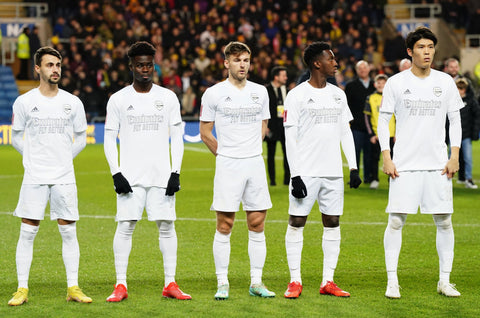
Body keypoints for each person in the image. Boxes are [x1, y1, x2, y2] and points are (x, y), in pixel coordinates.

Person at [378, 27, 464, 299]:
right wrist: (387, 157)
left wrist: (454, 155)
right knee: (395, 222)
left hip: (438, 164)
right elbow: (383, 120)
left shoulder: (446, 82)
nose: (427, 52)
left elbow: (456, 120)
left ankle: (444, 281)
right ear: (410, 51)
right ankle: (392, 281)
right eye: (421, 47)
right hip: (404, 164)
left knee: (445, 222)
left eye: (430, 47)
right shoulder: (396, 82)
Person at [104, 41, 191, 302]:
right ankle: (120, 284)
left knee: (167, 226)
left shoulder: (167, 97)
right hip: (130, 177)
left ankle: (170, 283)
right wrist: (116, 173)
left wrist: (175, 171)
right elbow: (109, 138)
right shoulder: (118, 99)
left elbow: (177, 137)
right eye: (139, 65)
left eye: (149, 65)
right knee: (125, 226)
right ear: (131, 66)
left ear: (154, 65)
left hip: (161, 176)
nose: (145, 69)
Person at [9, 46, 91, 306]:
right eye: (49, 65)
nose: (55, 69)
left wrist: (65, 158)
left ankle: (73, 287)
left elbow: (81, 137)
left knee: (68, 231)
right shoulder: (24, 102)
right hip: (34, 176)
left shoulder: (72, 102)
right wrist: (31, 159)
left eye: (58, 64)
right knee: (27, 231)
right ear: (37, 68)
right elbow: (16, 135)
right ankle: (22, 288)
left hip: (64, 176)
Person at [282, 41, 362, 299]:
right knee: (297, 221)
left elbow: (345, 131)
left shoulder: (338, 94)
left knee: (333, 222)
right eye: (331, 58)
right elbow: (289, 138)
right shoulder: (296, 95)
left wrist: (353, 166)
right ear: (317, 63)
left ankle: (328, 280)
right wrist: (295, 175)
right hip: (306, 171)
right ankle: (295, 280)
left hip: (332, 172)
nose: (335, 62)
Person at [200, 41, 275, 300]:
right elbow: (205, 132)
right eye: (237, 60)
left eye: (245, 60)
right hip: (228, 164)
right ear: (226, 63)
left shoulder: (261, 92)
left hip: (254, 162)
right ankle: (223, 282)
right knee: (225, 223)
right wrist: (225, 155)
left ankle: (256, 281)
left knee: (257, 223)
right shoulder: (213, 93)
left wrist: (251, 149)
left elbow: (264, 124)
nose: (242, 64)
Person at [345, 60, 375, 184]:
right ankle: (354, 176)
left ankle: (368, 177)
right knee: (355, 152)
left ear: (369, 69)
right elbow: (346, 106)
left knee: (370, 153)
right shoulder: (351, 86)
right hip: (356, 125)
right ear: (357, 71)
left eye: (364, 68)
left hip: (372, 126)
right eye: (360, 68)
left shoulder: (375, 85)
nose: (363, 70)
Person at [364, 74, 395, 189]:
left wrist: (397, 133)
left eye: (383, 83)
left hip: (391, 134)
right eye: (379, 83)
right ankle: (374, 179)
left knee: (393, 158)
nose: (381, 85)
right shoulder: (370, 98)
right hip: (377, 135)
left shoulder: (392, 97)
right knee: (374, 158)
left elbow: (398, 117)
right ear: (374, 84)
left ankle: (392, 179)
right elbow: (367, 117)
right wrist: (371, 134)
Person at [265, 66, 290, 186]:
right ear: (276, 77)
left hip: (285, 127)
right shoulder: (266, 90)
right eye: (283, 75)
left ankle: (287, 180)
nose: (286, 78)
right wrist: (265, 125)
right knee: (271, 154)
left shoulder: (288, 90)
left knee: (288, 154)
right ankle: (272, 181)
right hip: (271, 127)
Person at [455, 78, 480, 189]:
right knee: (450, 157)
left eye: (462, 88)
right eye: (458, 88)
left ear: (465, 89)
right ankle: (445, 179)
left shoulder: (471, 101)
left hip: (466, 135)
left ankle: (468, 179)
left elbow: (477, 117)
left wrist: (474, 132)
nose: (460, 91)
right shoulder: (451, 101)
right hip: (454, 135)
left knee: (468, 158)